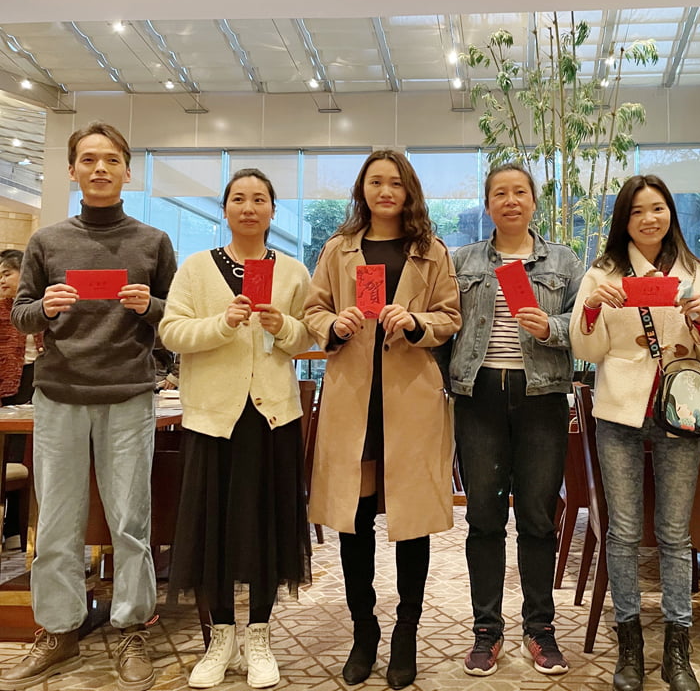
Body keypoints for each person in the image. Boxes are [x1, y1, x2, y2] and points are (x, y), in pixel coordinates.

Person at [2, 121, 177, 691]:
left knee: (131, 521)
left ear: (127, 171)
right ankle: (58, 631)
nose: (100, 168)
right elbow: (21, 314)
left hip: (128, 395)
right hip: (59, 395)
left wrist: (149, 305)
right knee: (56, 522)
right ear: (73, 170)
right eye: (88, 159)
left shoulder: (153, 242)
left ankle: (131, 627)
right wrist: (45, 308)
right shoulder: (47, 241)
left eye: (111, 160)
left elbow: (175, 320)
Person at [304, 149, 461, 690]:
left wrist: (415, 322)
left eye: (395, 182)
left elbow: (450, 316)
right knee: (355, 518)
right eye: (376, 182)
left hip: (411, 398)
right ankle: (363, 630)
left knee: (411, 519)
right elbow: (312, 310)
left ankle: (406, 632)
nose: (386, 191)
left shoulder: (431, 251)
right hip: (354, 399)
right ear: (362, 190)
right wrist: (335, 324)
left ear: (408, 190)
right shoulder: (338, 248)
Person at [570, 174, 700, 691]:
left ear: (670, 214)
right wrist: (593, 308)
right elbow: (586, 350)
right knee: (622, 532)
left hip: (678, 411)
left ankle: (677, 652)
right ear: (624, 220)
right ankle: (630, 647)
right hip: (620, 410)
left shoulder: (695, 272)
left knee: (675, 533)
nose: (648, 219)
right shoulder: (603, 273)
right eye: (637, 210)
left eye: (658, 208)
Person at [160, 168, 313, 689]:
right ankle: (221, 636)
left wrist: (283, 326)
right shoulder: (196, 268)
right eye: (239, 199)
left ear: (273, 211)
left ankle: (260, 634)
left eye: (259, 199)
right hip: (213, 418)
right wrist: (222, 323)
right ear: (225, 209)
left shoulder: (291, 270)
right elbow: (171, 331)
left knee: (267, 525)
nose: (249, 208)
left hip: (272, 418)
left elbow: (308, 335)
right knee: (214, 528)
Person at [447, 162, 581, 677]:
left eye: (519, 192)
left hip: (541, 395)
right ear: (488, 205)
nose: (510, 200)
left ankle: (540, 629)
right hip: (478, 396)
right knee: (483, 516)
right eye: (500, 193)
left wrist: (551, 327)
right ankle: (486, 630)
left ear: (533, 201)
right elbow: (445, 323)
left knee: (538, 517)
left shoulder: (563, 261)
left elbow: (583, 322)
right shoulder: (462, 260)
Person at [0, 249, 43, 550]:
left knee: (22, 457)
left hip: (34, 381)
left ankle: (16, 529)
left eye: (7, 273)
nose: (2, 280)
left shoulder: (40, 307)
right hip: (5, 386)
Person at [0, 249, 43, 406]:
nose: (2, 281)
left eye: (7, 274)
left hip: (42, 378)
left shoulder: (44, 305)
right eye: (0, 277)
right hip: (8, 383)